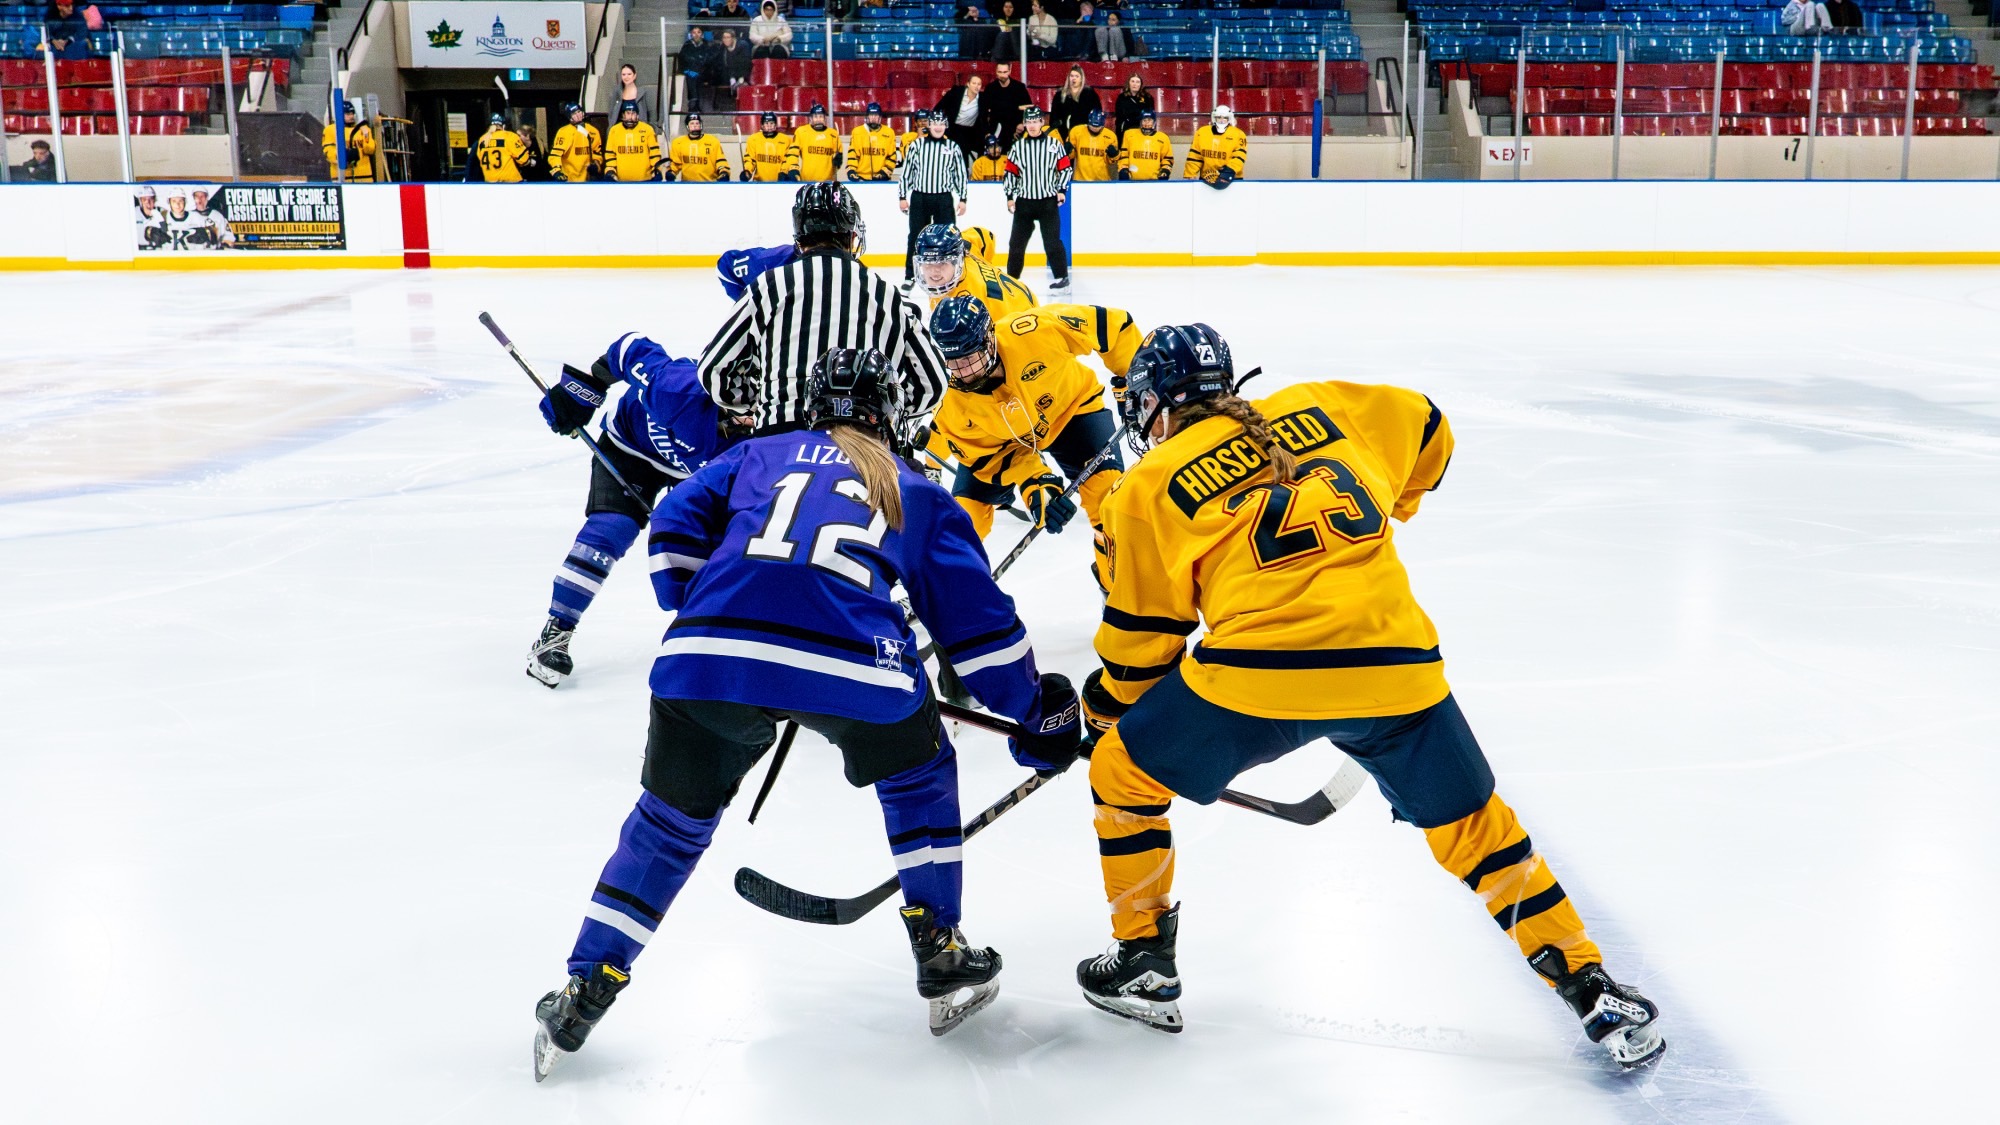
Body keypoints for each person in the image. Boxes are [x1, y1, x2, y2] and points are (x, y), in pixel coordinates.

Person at [1071, 325, 1667, 1073]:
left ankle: (1143, 963)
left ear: (1156, 403)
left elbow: (1143, 647)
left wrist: (1099, 717)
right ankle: (1591, 987)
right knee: (1478, 828)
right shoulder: (1321, 404)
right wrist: (1390, 506)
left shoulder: (1147, 485)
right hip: (1395, 662)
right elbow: (1429, 427)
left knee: (1121, 774)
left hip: (1260, 679)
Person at [529, 346, 1083, 1075]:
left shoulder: (753, 455)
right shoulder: (911, 486)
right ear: (891, 412)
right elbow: (979, 631)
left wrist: (713, 611)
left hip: (706, 656)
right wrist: (1037, 717)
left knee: (666, 827)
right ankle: (940, 947)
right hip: (854, 665)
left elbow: (672, 527)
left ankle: (587, 987)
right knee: (919, 775)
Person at [525, 335, 756, 687]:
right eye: (743, 412)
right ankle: (557, 630)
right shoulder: (677, 388)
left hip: (695, 479)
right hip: (629, 448)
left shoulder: (759, 440)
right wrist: (582, 392)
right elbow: (628, 349)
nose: (752, 420)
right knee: (611, 528)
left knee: (714, 552)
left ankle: (708, 636)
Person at [699, 182, 951, 432]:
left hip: (780, 435)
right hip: (864, 440)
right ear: (852, 234)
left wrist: (758, 405)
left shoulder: (767, 285)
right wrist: (888, 409)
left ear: (800, 236)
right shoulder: (887, 295)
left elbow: (714, 369)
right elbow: (933, 383)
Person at [925, 294, 1136, 542]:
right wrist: (1034, 482)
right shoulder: (948, 400)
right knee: (962, 525)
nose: (961, 371)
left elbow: (1113, 326)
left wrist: (1133, 386)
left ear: (989, 341)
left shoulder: (1034, 331)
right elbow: (988, 458)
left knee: (1109, 507)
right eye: (952, 360)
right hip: (1004, 446)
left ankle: (1115, 566)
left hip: (1072, 413)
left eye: (969, 357)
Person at [1002, 105, 1072, 292]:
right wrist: (1010, 196)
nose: (1032, 125)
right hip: (1024, 202)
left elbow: (1065, 168)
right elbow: (1010, 173)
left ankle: (1062, 278)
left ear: (1042, 122)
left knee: (1052, 242)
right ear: (1024, 123)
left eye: (1035, 121)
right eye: (1029, 121)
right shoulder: (1018, 147)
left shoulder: (1054, 145)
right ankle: (1012, 280)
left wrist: (1062, 190)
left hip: (1048, 201)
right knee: (1016, 243)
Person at [899, 111, 970, 284]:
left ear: (946, 126)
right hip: (920, 198)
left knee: (948, 237)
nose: (938, 127)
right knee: (915, 236)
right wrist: (902, 196)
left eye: (941, 123)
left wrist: (963, 198)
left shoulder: (953, 147)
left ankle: (951, 275)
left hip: (943, 199)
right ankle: (910, 275)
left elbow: (960, 174)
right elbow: (907, 172)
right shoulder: (917, 145)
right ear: (929, 125)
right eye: (935, 123)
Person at [911, 223, 1037, 318]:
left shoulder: (966, 303)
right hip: (1020, 295)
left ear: (957, 261)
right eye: (927, 263)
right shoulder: (966, 249)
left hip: (1022, 315)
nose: (934, 271)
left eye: (942, 263)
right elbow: (984, 235)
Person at [1183, 104, 1246, 188]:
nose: (1222, 121)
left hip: (1231, 180)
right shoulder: (1202, 132)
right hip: (1207, 179)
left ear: (1230, 119)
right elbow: (1195, 156)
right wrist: (1190, 174)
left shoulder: (1238, 134)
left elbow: (1239, 157)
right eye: (1219, 117)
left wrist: (1227, 173)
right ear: (1214, 118)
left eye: (1225, 118)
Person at [935, 73, 990, 163]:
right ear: (968, 84)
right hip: (953, 128)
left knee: (984, 145)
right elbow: (939, 107)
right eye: (974, 83)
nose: (976, 86)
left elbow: (984, 118)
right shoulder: (956, 92)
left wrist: (987, 133)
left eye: (979, 84)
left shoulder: (983, 98)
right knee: (961, 147)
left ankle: (977, 168)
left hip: (970, 131)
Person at [606, 101, 663, 182]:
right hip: (621, 181)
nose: (630, 117)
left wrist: (656, 170)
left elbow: (654, 153)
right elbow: (610, 154)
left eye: (633, 113)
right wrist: (611, 171)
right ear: (623, 115)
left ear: (637, 115)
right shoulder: (614, 130)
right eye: (628, 113)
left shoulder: (647, 129)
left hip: (644, 180)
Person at [847, 102, 902, 182]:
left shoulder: (889, 133)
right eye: (871, 115)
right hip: (861, 179)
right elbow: (852, 155)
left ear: (880, 117)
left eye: (876, 115)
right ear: (867, 116)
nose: (873, 118)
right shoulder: (857, 132)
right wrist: (851, 170)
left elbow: (892, 157)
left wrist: (884, 173)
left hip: (882, 180)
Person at [322, 102, 377, 182]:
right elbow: (328, 152)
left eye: (352, 113)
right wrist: (343, 155)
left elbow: (370, 149)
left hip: (364, 177)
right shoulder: (330, 130)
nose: (351, 116)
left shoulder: (363, 129)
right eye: (348, 114)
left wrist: (366, 135)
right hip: (341, 178)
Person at [665, 113, 729, 182]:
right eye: (692, 123)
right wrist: (671, 172)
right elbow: (675, 164)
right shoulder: (678, 142)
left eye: (697, 123)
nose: (695, 125)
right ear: (687, 126)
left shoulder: (713, 141)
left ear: (701, 125)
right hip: (687, 185)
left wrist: (724, 172)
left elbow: (720, 161)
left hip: (709, 184)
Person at [550, 103, 604, 183]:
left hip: (587, 181)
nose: (578, 115)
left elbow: (597, 154)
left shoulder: (593, 131)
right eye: (574, 114)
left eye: (579, 112)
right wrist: (557, 171)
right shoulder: (564, 132)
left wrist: (596, 166)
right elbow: (555, 155)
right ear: (569, 117)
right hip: (569, 181)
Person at [468, 113, 530, 183]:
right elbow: (524, 160)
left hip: (490, 182)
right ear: (503, 126)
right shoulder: (509, 136)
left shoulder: (482, 140)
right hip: (511, 183)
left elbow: (480, 159)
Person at [791, 104, 844, 181]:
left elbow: (839, 153)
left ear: (825, 118)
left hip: (828, 181)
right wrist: (793, 168)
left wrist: (839, 158)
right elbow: (793, 153)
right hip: (807, 181)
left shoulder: (833, 134)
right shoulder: (802, 132)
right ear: (811, 118)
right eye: (815, 117)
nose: (818, 119)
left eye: (821, 116)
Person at [986, 60, 1034, 143]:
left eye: (1005, 72)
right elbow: (994, 110)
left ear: (1009, 71)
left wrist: (1022, 124)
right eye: (1000, 72)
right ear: (996, 72)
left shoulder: (1019, 87)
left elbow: (1029, 108)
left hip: (1016, 129)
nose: (1002, 75)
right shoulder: (990, 88)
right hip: (996, 129)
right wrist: (1017, 107)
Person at [740, 111, 796, 181]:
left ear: (775, 125)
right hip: (759, 183)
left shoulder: (786, 140)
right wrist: (747, 171)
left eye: (771, 123)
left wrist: (784, 172)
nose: (769, 126)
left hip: (779, 183)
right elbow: (750, 160)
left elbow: (788, 161)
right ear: (762, 125)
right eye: (766, 123)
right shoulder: (753, 139)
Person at [1118, 107, 1172, 180]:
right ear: (1140, 122)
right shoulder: (1129, 135)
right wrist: (1123, 169)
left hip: (1154, 181)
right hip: (1133, 181)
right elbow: (1124, 156)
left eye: (1149, 120)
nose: (1146, 123)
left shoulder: (1163, 138)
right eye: (1144, 120)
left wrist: (1165, 170)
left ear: (1154, 122)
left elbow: (1167, 159)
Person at [1050, 64, 1101, 136]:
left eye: (1077, 76)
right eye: (1071, 76)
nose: (1074, 78)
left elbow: (1096, 112)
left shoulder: (1089, 93)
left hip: (1084, 133)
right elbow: (1054, 116)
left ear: (1081, 79)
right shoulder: (1060, 94)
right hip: (1064, 132)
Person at [680, 26, 722, 114]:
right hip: (690, 71)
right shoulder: (687, 45)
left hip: (704, 71)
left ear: (702, 34)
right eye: (694, 32)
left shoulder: (707, 45)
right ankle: (694, 102)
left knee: (697, 75)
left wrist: (700, 62)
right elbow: (684, 60)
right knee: (691, 75)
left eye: (698, 32)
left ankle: (694, 102)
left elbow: (709, 59)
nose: (696, 35)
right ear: (691, 34)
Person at [1067, 109, 1118, 181]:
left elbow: (1112, 163)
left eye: (1097, 127)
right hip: (1080, 180)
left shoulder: (1110, 136)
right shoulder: (1077, 132)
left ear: (1103, 125)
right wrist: (1067, 151)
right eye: (1092, 126)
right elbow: (1070, 156)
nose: (1094, 128)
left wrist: (1114, 156)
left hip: (1102, 181)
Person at [718, 28, 753, 109]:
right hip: (730, 74)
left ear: (733, 38)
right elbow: (724, 64)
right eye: (724, 38)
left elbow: (746, 63)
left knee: (742, 85)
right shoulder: (722, 48)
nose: (726, 40)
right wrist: (731, 77)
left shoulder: (743, 45)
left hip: (744, 74)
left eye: (728, 37)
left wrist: (742, 78)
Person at [610, 63, 654, 128]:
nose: (626, 77)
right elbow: (611, 113)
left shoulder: (643, 93)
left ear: (634, 75)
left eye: (629, 74)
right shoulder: (617, 93)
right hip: (620, 129)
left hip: (639, 129)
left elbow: (651, 114)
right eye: (623, 74)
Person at [1112, 72, 1153, 138]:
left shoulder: (1147, 98)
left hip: (1143, 129)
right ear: (1129, 83)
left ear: (1141, 84)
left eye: (1137, 82)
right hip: (1126, 130)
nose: (1135, 84)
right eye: (1132, 81)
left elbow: (1151, 116)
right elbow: (1119, 118)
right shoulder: (1122, 98)